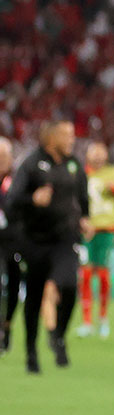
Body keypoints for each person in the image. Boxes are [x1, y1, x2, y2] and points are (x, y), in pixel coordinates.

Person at [5, 120, 88, 373]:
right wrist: (33, 199)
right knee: (33, 297)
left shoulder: (74, 165)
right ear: (51, 138)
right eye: (67, 135)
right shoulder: (30, 164)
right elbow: (11, 201)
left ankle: (58, 334)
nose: (72, 139)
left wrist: (85, 218)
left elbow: (83, 199)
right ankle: (31, 353)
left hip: (65, 238)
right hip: (35, 240)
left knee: (69, 285)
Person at [76, 140, 114, 338]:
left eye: (101, 153)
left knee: (102, 274)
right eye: (94, 153)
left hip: (107, 230)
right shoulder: (81, 174)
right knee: (84, 274)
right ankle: (86, 321)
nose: (98, 157)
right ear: (88, 156)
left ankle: (103, 318)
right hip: (86, 231)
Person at [0, 136, 19, 353]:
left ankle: (7, 324)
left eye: (5, 155)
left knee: (13, 283)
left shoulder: (16, 182)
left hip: (14, 240)